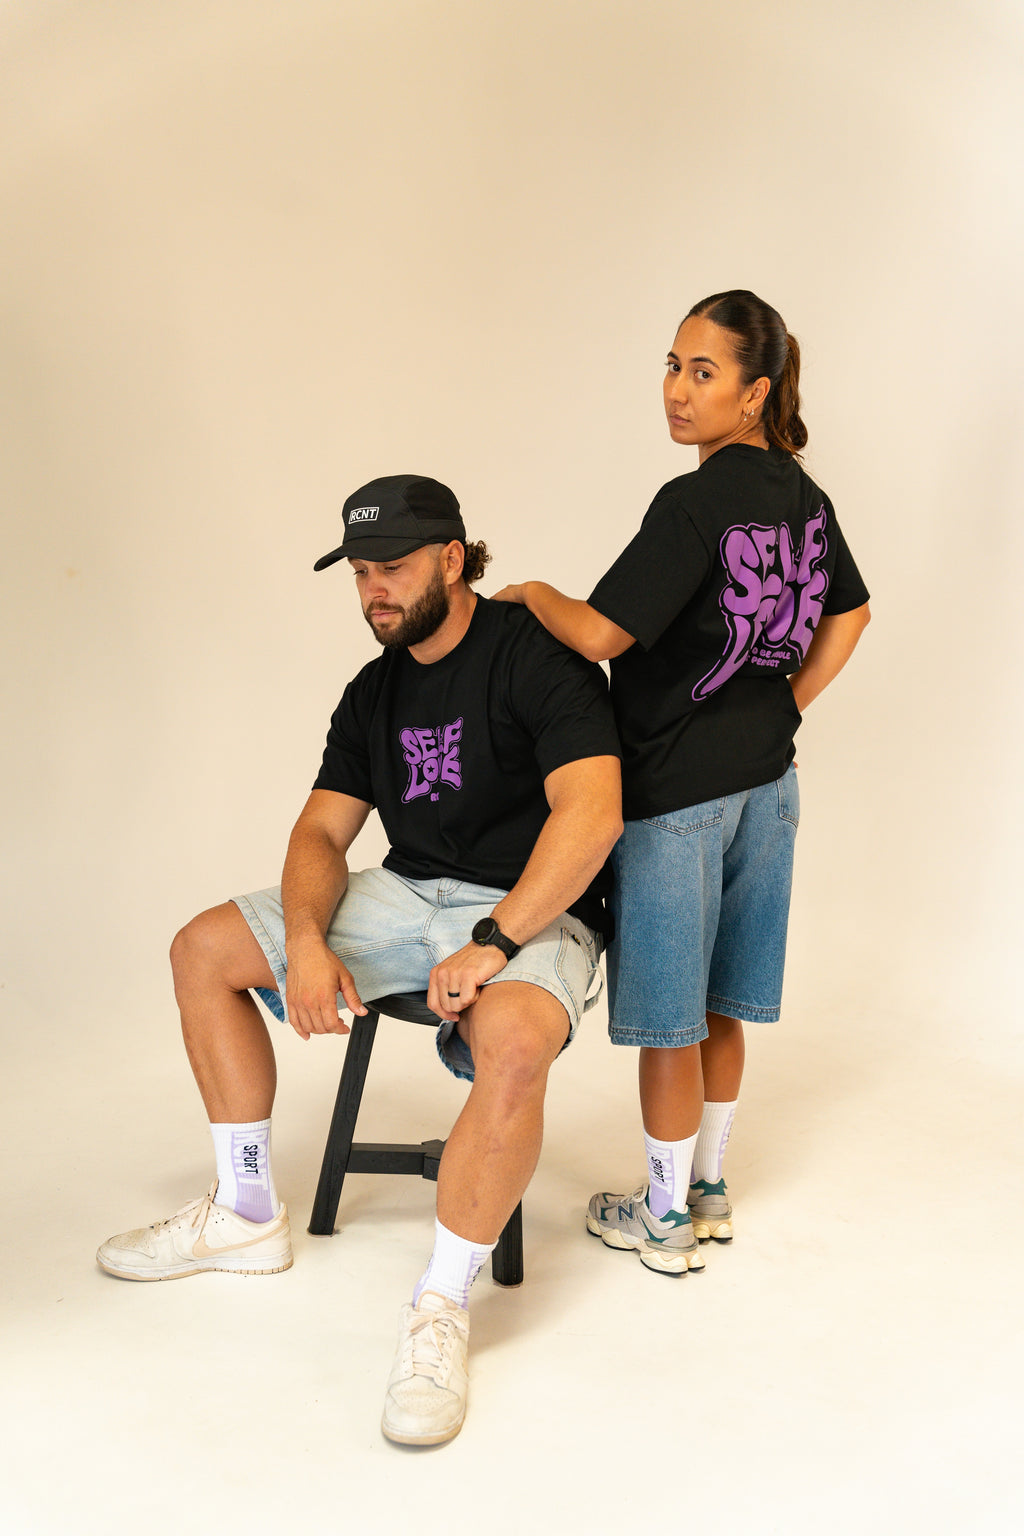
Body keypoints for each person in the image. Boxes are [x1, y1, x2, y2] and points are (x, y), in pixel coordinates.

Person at [97, 474, 622, 1444]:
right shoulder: (374, 691)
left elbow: (592, 815)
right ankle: (246, 1209)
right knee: (202, 949)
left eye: (392, 567)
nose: (373, 590)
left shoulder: (533, 659)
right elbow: (319, 835)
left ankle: (441, 1304)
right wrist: (303, 941)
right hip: (408, 891)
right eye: (359, 572)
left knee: (512, 1045)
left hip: (530, 904)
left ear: (453, 560)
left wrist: (496, 941)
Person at [494, 290, 870, 1275]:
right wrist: (786, 704)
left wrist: (532, 592)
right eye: (671, 365)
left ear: (754, 394)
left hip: (673, 802)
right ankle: (705, 1187)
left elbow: (601, 632)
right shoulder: (801, 493)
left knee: (668, 1018)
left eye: (702, 373)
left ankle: (661, 1223)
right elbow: (850, 616)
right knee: (719, 1006)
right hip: (767, 788)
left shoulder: (694, 502)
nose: (677, 390)